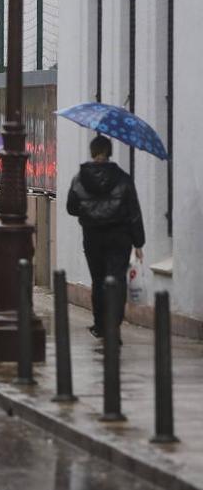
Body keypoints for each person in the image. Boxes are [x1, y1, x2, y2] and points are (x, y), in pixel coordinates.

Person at [66, 135, 145, 339]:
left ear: (92, 152)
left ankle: (100, 325)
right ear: (109, 152)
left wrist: (88, 209)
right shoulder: (123, 178)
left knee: (98, 280)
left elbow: (71, 208)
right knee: (117, 280)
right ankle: (114, 326)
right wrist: (138, 242)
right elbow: (133, 210)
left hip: (93, 237)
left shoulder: (79, 178)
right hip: (120, 237)